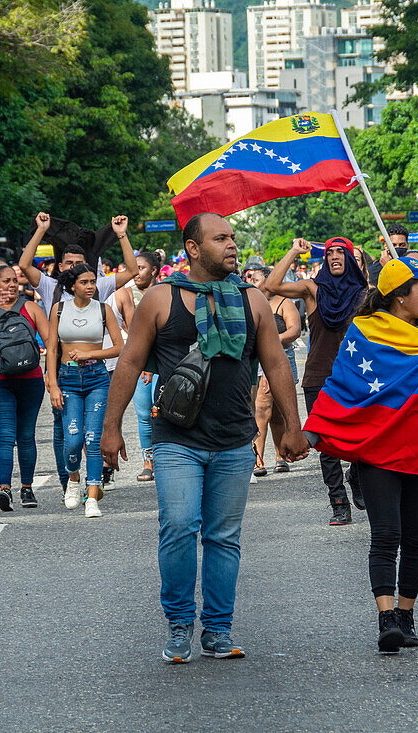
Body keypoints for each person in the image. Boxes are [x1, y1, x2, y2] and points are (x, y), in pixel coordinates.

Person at [101, 212, 309, 663]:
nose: (232, 245)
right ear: (193, 249)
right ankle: (179, 625)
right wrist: (111, 427)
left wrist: (292, 426)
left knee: (223, 536)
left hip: (236, 440)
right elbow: (130, 363)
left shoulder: (253, 300)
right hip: (177, 438)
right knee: (178, 526)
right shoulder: (160, 298)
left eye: (233, 237)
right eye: (220, 239)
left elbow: (276, 365)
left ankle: (217, 628)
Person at [303, 256, 418, 653]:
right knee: (386, 535)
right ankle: (386, 618)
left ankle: (407, 615)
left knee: (416, 538)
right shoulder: (364, 333)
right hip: (379, 449)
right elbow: (347, 384)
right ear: (399, 297)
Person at [19, 213, 137, 496]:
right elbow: (24, 265)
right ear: (60, 267)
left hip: (100, 366)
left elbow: (132, 271)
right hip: (63, 366)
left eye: (80, 264)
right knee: (65, 429)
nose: (75, 268)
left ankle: (95, 480)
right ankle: (67, 480)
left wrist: (121, 234)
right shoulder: (51, 287)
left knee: (95, 428)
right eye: (70, 264)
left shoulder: (99, 284)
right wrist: (41, 230)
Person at [266, 236, 367, 524]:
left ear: (350, 258)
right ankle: (338, 502)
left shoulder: (365, 294)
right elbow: (272, 286)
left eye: (341, 252)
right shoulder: (313, 289)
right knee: (325, 442)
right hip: (318, 376)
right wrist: (293, 251)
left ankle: (357, 476)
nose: (335, 256)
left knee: (361, 435)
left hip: (355, 377)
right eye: (330, 252)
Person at [46, 264, 124, 517]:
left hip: (97, 378)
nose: (90, 286)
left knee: (92, 440)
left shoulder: (104, 309)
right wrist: (53, 384)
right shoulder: (59, 310)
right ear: (72, 286)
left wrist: (90, 353)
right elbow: (53, 349)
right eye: (84, 282)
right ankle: (73, 479)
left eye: (93, 282)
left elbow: (119, 347)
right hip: (67, 378)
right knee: (72, 441)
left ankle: (92, 497)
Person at [0, 265, 50, 512]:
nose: (13, 285)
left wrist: (53, 377)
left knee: (26, 435)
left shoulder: (32, 309)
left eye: (15, 280)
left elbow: (51, 344)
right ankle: (4, 489)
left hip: (31, 380)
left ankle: (27, 487)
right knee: (4, 436)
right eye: (6, 281)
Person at [243, 264, 301, 475]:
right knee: (262, 409)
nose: (251, 283)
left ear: (268, 281)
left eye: (256, 279)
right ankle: (258, 458)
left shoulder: (284, 302)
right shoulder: (250, 304)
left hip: (282, 359)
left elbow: (295, 329)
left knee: (278, 413)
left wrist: (274, 340)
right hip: (258, 362)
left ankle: (280, 455)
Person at [112, 252, 162, 481]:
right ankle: (148, 462)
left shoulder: (165, 291)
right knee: (143, 414)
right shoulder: (126, 294)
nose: (137, 273)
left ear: (153, 270)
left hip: (164, 362)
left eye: (141, 268)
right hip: (139, 362)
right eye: (135, 268)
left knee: (162, 413)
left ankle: (166, 460)